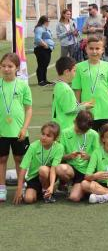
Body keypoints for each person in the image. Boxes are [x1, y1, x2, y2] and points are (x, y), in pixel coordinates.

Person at [0, 53, 33, 202]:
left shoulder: (22, 85)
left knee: (20, 159)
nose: (6, 69)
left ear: (17, 68)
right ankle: (2, 188)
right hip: (2, 131)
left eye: (10, 66)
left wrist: (24, 128)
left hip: (19, 130)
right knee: (2, 159)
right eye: (3, 66)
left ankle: (22, 186)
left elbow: (29, 109)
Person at [73, 37, 108, 130]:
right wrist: (78, 111)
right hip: (87, 112)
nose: (94, 51)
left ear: (102, 50)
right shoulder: (78, 67)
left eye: (97, 48)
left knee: (107, 137)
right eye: (91, 48)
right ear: (86, 49)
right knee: (89, 137)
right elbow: (77, 91)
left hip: (106, 112)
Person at [55, 110, 99, 202]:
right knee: (60, 169)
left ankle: (80, 188)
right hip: (71, 168)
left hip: (86, 171)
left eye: (84, 131)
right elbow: (58, 157)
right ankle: (66, 184)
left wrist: (89, 157)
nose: (80, 133)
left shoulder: (94, 135)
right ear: (74, 121)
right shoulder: (65, 133)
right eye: (79, 130)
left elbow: (99, 157)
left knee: (74, 198)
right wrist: (68, 156)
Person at [14, 122, 63, 204]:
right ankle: (39, 192)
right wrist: (19, 188)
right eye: (43, 134)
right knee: (28, 199)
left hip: (48, 175)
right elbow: (23, 167)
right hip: (34, 177)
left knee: (43, 169)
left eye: (48, 136)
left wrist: (51, 186)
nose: (44, 137)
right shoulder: (33, 146)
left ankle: (47, 190)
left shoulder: (59, 147)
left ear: (55, 138)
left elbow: (53, 169)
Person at [52, 56, 93, 134]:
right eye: (74, 71)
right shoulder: (66, 89)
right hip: (66, 127)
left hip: (59, 125)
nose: (75, 73)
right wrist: (84, 107)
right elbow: (69, 110)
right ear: (67, 72)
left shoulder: (58, 85)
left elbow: (66, 106)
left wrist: (80, 104)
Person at [33, 16, 55, 86]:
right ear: (45, 21)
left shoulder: (45, 28)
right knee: (41, 65)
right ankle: (40, 81)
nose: (49, 23)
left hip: (46, 49)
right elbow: (37, 39)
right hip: (41, 49)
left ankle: (44, 80)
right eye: (48, 21)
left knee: (45, 65)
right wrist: (45, 45)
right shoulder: (39, 28)